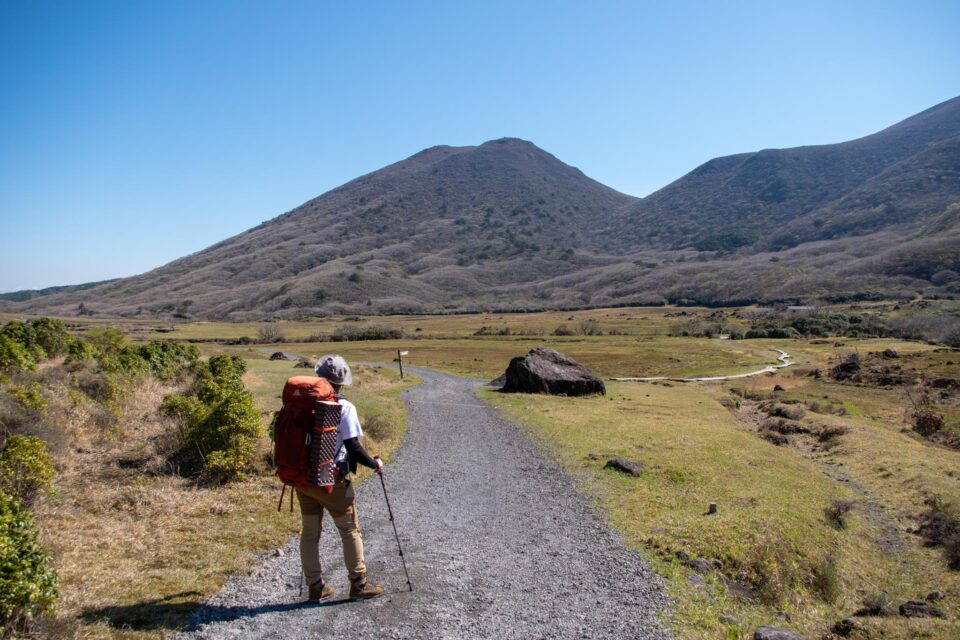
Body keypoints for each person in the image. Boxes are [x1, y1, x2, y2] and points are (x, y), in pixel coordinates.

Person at [296, 354, 385, 602]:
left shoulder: (301, 402)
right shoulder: (345, 406)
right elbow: (353, 446)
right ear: (342, 382)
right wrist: (374, 464)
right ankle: (359, 584)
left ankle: (316, 587)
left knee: (310, 533)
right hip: (331, 479)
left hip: (302, 478)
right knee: (349, 530)